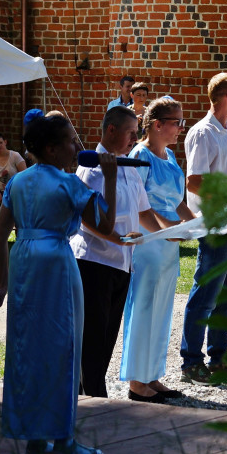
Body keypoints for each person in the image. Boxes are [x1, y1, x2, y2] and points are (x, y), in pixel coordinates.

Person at [0, 112, 118, 454]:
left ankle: (33, 439)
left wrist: (3, 282)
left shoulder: (17, 181)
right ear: (51, 148)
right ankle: (63, 440)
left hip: (25, 261)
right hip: (58, 261)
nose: (76, 147)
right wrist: (110, 178)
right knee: (64, 350)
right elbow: (106, 224)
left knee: (27, 349)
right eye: (70, 142)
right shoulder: (68, 183)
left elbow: (0, 235)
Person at [69, 106, 158, 399]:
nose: (135, 138)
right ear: (111, 131)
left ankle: (88, 394)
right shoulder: (92, 168)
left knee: (107, 337)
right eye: (131, 132)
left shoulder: (129, 167)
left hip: (122, 263)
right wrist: (117, 239)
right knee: (92, 338)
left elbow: (143, 211)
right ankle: (95, 399)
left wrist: (167, 232)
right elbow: (85, 217)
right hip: (95, 262)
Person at [120, 98, 194, 403]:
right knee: (144, 309)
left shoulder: (171, 156)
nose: (180, 128)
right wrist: (167, 231)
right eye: (176, 122)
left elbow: (176, 199)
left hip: (168, 243)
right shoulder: (140, 155)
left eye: (181, 121)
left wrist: (195, 222)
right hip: (149, 244)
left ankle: (152, 375)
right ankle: (137, 382)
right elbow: (139, 205)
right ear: (157, 124)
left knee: (161, 310)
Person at [181, 72, 227, 384]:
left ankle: (217, 355)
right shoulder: (202, 133)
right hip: (215, 223)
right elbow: (194, 182)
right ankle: (191, 360)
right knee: (207, 291)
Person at [0, 133, 27, 224]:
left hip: (15, 191)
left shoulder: (15, 156)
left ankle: (17, 228)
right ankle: (0, 225)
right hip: (0, 192)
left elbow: (24, 175)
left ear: (5, 142)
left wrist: (13, 188)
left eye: (1, 142)